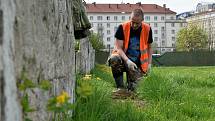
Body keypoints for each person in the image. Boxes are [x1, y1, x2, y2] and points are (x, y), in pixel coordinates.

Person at [108, 8, 153, 97]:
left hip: (136, 64)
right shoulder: (122, 27)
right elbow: (119, 48)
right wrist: (127, 61)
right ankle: (120, 88)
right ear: (130, 18)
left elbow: (149, 47)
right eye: (132, 21)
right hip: (123, 60)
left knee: (136, 90)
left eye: (137, 23)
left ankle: (130, 88)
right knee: (114, 58)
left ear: (142, 21)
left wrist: (149, 64)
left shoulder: (147, 29)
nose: (134, 25)